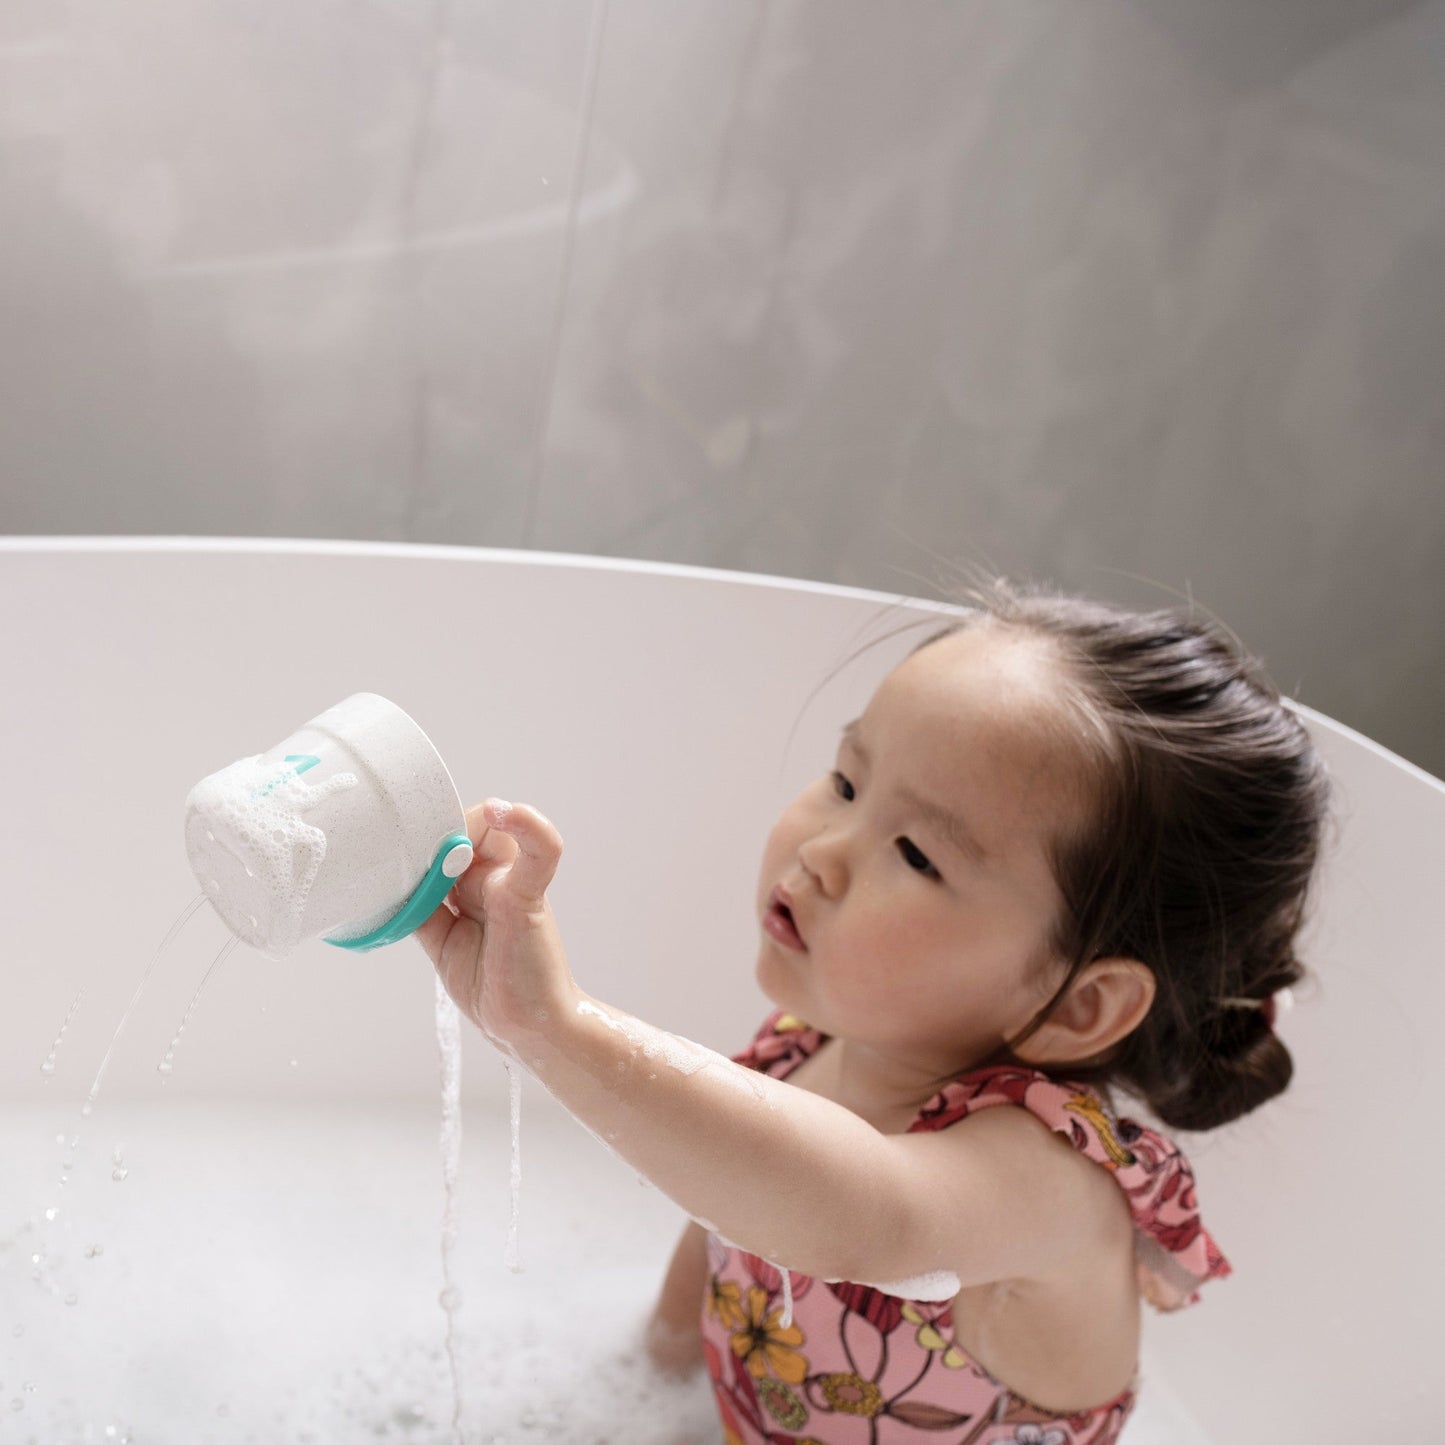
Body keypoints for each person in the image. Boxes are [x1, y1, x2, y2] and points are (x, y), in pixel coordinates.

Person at [414, 574, 1331, 1443]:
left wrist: (555, 1023)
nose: (822, 850)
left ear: (1082, 1003)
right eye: (847, 783)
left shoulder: (1050, 1182)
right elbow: (724, 1211)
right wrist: (646, 1376)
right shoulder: (805, 1049)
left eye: (918, 854)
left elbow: (859, 1222)